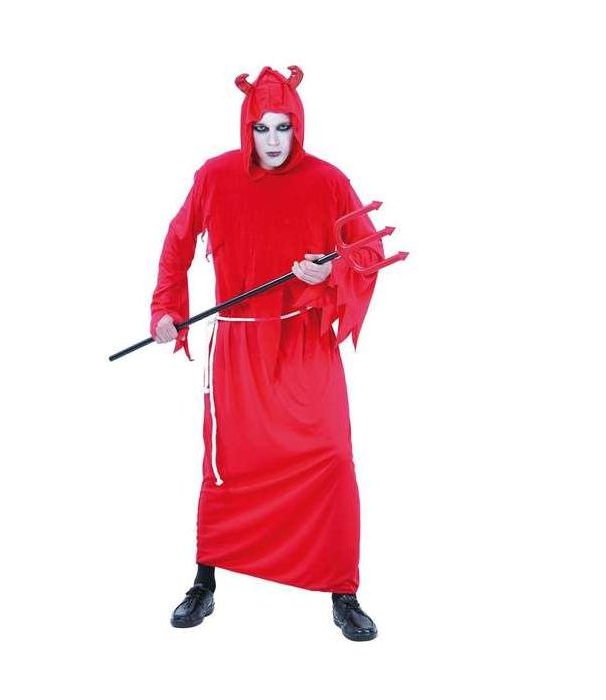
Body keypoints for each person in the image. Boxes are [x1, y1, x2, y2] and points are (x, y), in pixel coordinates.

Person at [149, 65, 384, 641]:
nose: (273, 140)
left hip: (304, 344)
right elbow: (177, 243)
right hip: (239, 348)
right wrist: (165, 310)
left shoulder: (328, 181)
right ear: (246, 128)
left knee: (331, 457)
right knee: (228, 466)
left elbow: (368, 252)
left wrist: (330, 269)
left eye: (283, 127)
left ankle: (343, 590)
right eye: (262, 128)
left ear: (298, 126)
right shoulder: (215, 176)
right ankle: (204, 578)